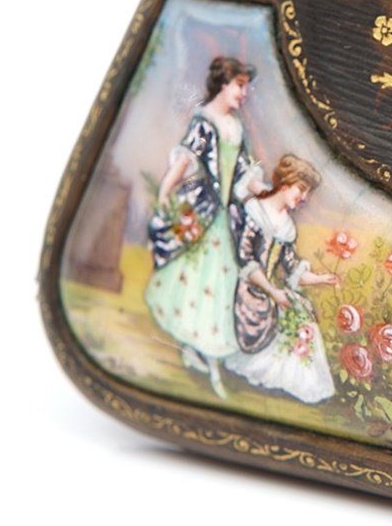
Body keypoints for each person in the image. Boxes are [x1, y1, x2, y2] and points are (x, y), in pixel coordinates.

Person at [144, 56, 268, 399]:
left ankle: (207, 355)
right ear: (223, 84)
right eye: (240, 86)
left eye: (246, 87)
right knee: (196, 280)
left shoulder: (235, 126)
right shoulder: (204, 121)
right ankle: (196, 351)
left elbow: (243, 171)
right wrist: (164, 192)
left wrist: (268, 192)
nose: (244, 93)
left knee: (220, 284)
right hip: (204, 211)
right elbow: (185, 160)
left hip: (226, 217)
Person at [225, 155, 341, 402]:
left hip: (270, 288)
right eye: (302, 189)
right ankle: (270, 374)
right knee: (284, 307)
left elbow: (292, 269)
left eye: (307, 192)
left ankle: (297, 381)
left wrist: (321, 279)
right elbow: (246, 260)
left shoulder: (287, 226)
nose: (304, 197)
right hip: (248, 287)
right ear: (286, 185)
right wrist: (272, 292)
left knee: (301, 310)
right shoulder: (255, 210)